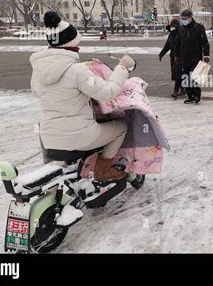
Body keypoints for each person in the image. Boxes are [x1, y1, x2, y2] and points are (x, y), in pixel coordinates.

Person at [30, 11, 136, 182]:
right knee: (120, 128)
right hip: (79, 136)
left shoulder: (38, 71)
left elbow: (42, 92)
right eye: (77, 44)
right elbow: (108, 92)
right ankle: (103, 170)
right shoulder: (77, 71)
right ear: (71, 44)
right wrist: (122, 67)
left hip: (49, 138)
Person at [172, 10, 210, 104]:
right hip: (184, 58)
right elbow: (177, 43)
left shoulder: (199, 28)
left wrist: (206, 55)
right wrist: (176, 56)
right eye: (182, 19)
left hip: (196, 58)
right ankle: (190, 96)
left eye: (185, 19)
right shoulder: (181, 29)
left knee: (195, 78)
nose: (183, 20)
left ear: (191, 17)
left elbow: (205, 43)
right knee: (186, 78)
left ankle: (197, 95)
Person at [159, 19, 184, 99]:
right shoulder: (171, 35)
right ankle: (183, 90)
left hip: (180, 58)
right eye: (171, 26)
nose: (172, 28)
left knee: (177, 74)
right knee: (177, 75)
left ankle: (176, 91)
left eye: (174, 26)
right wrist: (161, 54)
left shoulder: (181, 34)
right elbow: (167, 46)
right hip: (173, 58)